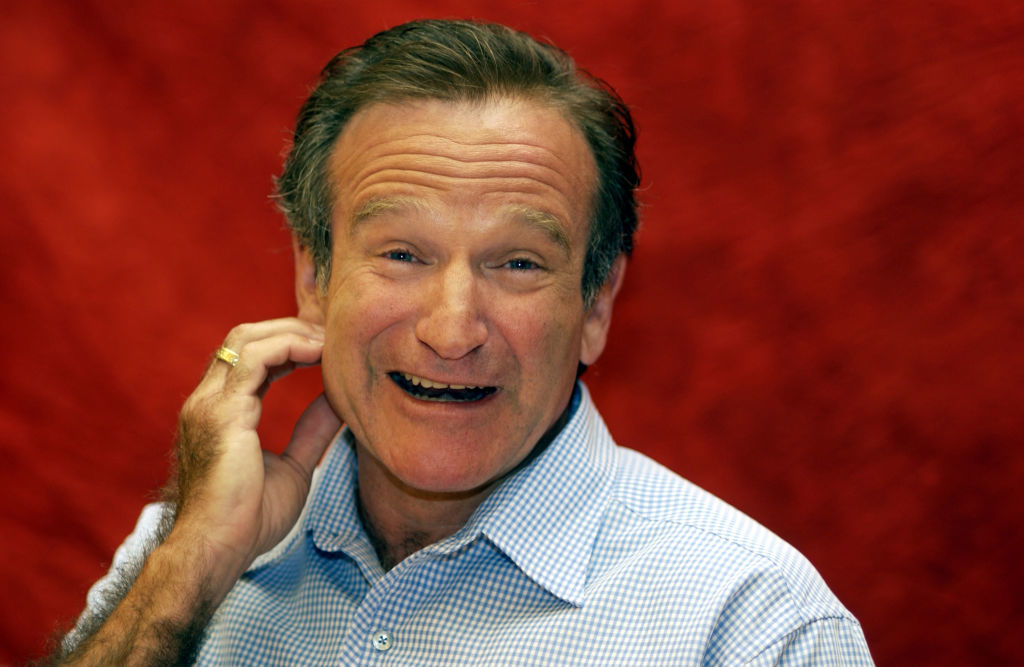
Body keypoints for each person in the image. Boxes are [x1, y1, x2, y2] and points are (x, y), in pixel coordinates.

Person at [56, 19, 872, 665]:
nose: (452, 331)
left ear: (596, 302)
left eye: (517, 262)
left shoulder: (756, 625)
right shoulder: (181, 557)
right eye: (402, 255)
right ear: (314, 275)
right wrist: (191, 564)